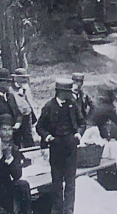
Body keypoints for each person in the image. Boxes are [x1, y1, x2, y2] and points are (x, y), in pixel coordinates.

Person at [36, 79, 85, 214]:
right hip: (56, 146)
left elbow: (82, 122)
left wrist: (78, 134)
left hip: (70, 146)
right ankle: (57, 210)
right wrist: (48, 137)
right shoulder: (49, 107)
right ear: (59, 92)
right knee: (57, 182)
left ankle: (69, 210)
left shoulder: (73, 105)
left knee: (70, 182)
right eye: (67, 92)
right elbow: (39, 127)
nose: (69, 95)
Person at [10, 69, 37, 148]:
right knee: (17, 136)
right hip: (16, 115)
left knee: (28, 134)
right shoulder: (11, 88)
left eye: (25, 77)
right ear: (16, 78)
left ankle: (31, 151)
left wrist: (32, 112)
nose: (24, 79)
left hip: (27, 114)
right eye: (22, 78)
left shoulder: (26, 87)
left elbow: (30, 100)